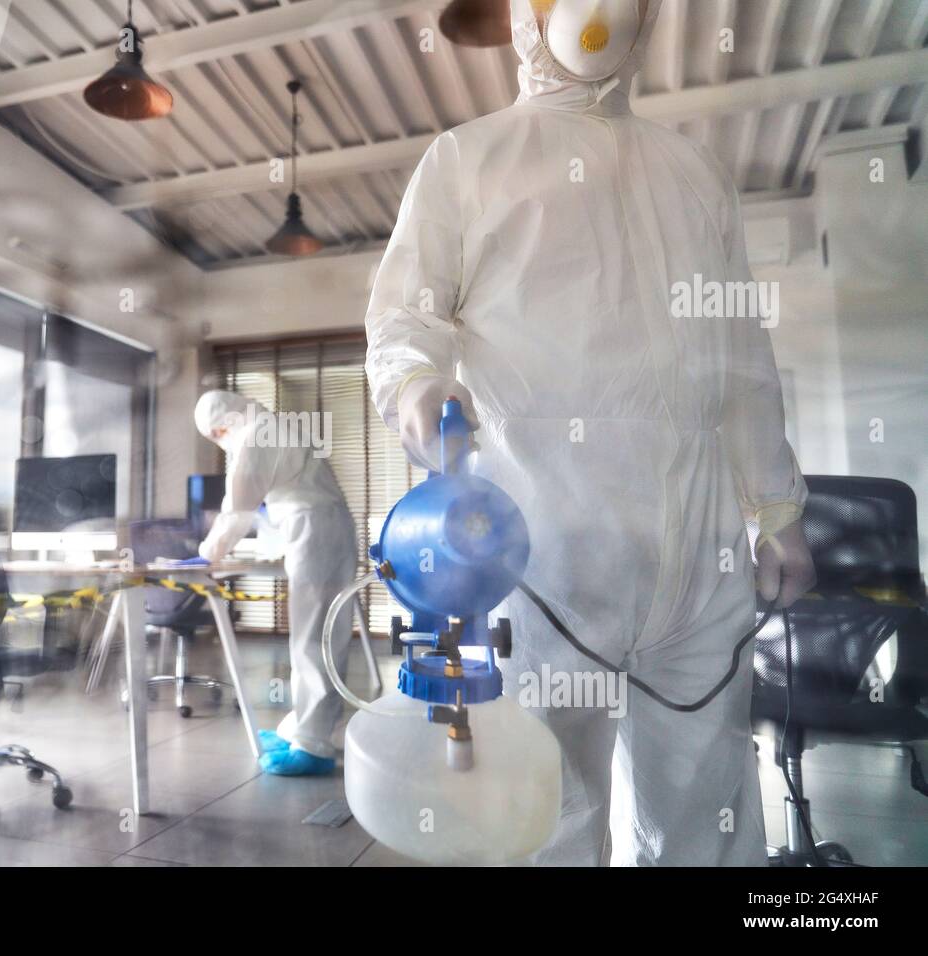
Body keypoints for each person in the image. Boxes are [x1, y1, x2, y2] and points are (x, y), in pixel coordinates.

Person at [364, 0, 815, 865]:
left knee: (708, 809)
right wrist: (416, 381)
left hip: (699, 559)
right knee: (551, 815)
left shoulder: (694, 170)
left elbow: (741, 356)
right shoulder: (469, 156)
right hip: (546, 558)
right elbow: (406, 317)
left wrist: (778, 507)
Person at [193, 390, 359, 775]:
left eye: (218, 434)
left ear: (225, 423)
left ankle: (314, 745)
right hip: (317, 528)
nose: (221, 441)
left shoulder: (256, 435)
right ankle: (299, 728)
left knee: (314, 639)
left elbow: (237, 509)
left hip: (316, 531)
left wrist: (207, 553)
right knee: (310, 635)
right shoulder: (273, 425)